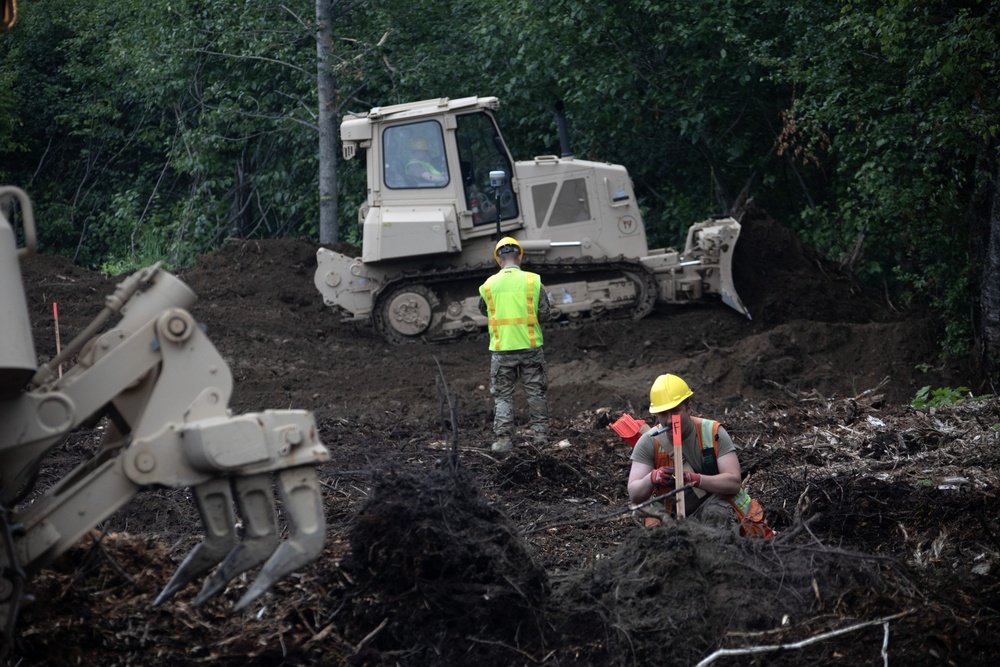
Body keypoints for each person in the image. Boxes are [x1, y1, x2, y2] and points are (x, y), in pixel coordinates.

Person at [627, 373, 774, 537]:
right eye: (663, 414)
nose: (669, 421)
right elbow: (635, 493)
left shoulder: (712, 433)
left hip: (713, 505)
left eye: (675, 412)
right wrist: (652, 477)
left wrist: (694, 479)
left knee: (717, 514)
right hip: (671, 515)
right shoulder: (649, 442)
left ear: (689, 407)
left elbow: (733, 482)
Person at [478, 237, 553, 453]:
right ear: (519, 256)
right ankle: (540, 436)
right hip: (530, 347)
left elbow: (484, 310)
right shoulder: (533, 281)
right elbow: (545, 314)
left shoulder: (488, 285)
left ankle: (503, 441)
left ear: (498, 260)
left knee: (503, 395)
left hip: (502, 350)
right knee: (536, 393)